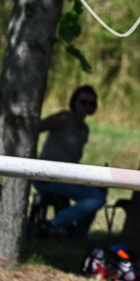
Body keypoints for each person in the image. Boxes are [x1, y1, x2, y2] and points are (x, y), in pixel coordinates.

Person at [32, 85, 106, 238]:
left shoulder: (84, 129)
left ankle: (77, 235)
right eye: (83, 102)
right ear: (74, 102)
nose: (86, 107)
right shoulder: (64, 117)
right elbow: (35, 128)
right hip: (48, 175)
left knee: (101, 189)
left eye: (91, 104)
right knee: (96, 197)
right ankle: (53, 225)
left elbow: (72, 159)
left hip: (67, 175)